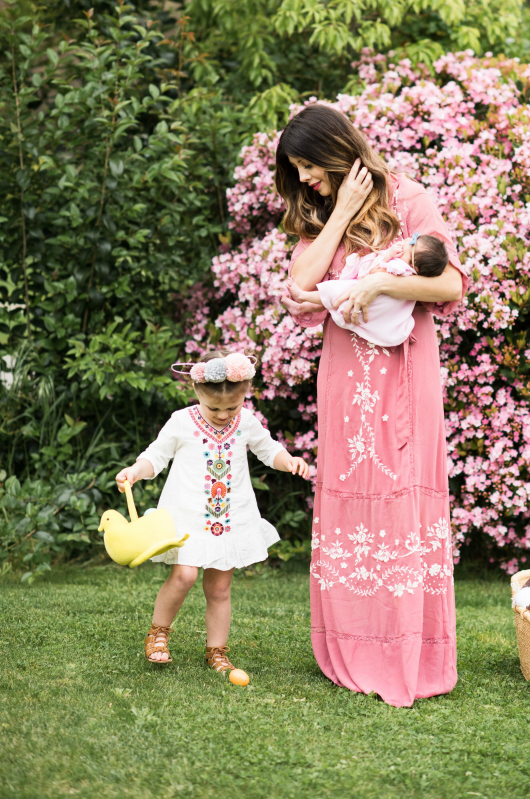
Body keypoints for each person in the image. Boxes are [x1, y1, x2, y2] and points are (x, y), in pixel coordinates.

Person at [276, 103, 467, 708]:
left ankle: (409, 647)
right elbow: (298, 295)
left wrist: (382, 282)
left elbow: (449, 286)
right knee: (353, 498)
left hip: (405, 375)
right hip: (345, 381)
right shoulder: (321, 213)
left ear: (340, 148)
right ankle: (353, 644)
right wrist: (340, 217)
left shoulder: (410, 199)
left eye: (310, 164)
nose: (305, 178)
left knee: (401, 496)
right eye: (297, 169)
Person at [115, 349, 309, 672]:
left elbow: (268, 448)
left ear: (245, 393)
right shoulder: (182, 422)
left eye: (231, 407)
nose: (223, 414)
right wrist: (135, 470)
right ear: (196, 392)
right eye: (214, 407)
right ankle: (158, 633)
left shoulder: (245, 421)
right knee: (184, 575)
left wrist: (287, 461)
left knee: (219, 588)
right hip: (187, 517)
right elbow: (156, 455)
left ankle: (216, 650)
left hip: (228, 518)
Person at [285, 232, 449, 347]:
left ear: (415, 266)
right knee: (332, 299)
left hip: (371, 300)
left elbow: (374, 274)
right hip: (368, 298)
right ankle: (304, 306)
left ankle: (301, 296)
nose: (403, 243)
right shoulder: (408, 271)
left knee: (335, 291)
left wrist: (387, 256)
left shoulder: (400, 268)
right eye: (408, 240)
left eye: (407, 247)